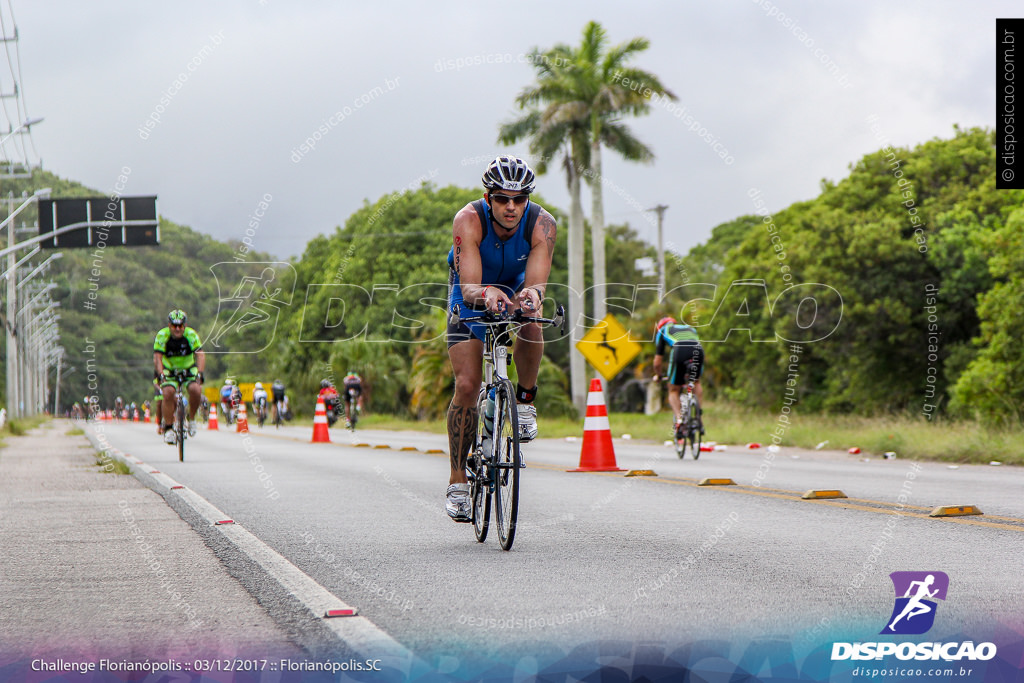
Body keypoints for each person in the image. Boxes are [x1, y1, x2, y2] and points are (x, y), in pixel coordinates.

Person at [443, 155, 557, 522]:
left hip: (513, 287)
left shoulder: (543, 225)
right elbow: (471, 286)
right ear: (488, 196)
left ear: (528, 199)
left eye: (519, 199)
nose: (511, 207)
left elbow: (537, 284)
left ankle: (524, 401)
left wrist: (531, 297)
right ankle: (458, 481)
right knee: (466, 384)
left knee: (533, 318)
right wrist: (487, 293)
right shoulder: (469, 220)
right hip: (471, 291)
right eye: (502, 198)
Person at [153, 309, 205, 444]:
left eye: (180, 326)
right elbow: (157, 357)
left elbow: (200, 354)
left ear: (185, 326)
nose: (177, 329)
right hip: (169, 368)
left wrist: (200, 372)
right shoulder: (162, 335)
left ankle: (192, 418)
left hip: (188, 368)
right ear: (169, 325)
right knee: (168, 392)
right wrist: (160, 374)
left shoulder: (191, 335)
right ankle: (169, 428)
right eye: (174, 326)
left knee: (195, 390)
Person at [652, 317, 705, 436]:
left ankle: (680, 420)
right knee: (696, 382)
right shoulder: (690, 328)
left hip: (680, 349)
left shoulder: (663, 330)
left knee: (673, 389)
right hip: (698, 349)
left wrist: (659, 375)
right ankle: (698, 417)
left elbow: (657, 362)